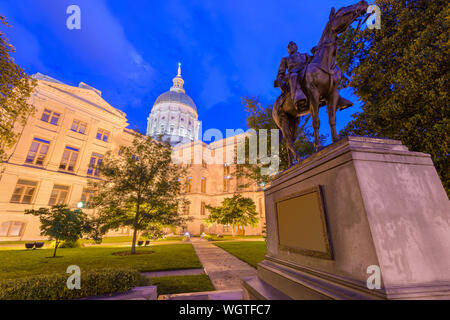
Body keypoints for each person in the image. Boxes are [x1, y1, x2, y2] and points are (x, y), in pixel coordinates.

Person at [274, 41, 312, 109]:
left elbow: (314, 63)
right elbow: (281, 72)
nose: (290, 47)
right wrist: (279, 79)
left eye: (292, 45)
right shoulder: (285, 59)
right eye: (288, 46)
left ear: (296, 47)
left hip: (304, 72)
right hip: (292, 75)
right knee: (294, 76)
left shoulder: (305, 55)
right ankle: (298, 98)